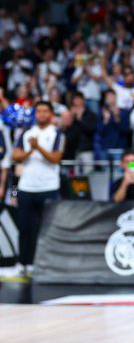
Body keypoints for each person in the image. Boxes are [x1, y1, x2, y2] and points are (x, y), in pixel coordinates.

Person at [11, 101, 64, 277]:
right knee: (25, 227)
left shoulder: (57, 133)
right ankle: (23, 262)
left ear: (50, 114)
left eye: (45, 111)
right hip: (25, 186)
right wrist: (29, 152)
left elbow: (56, 158)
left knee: (47, 228)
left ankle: (45, 264)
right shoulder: (26, 132)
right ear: (35, 114)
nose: (41, 114)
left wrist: (37, 147)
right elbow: (15, 156)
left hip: (49, 186)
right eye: (39, 111)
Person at [94, 89, 130, 165]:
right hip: (105, 147)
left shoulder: (123, 112)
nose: (110, 98)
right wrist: (106, 120)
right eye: (108, 96)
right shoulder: (102, 113)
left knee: (119, 172)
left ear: (116, 97)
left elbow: (125, 130)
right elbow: (99, 131)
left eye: (111, 96)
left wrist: (117, 117)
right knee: (104, 174)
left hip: (119, 147)